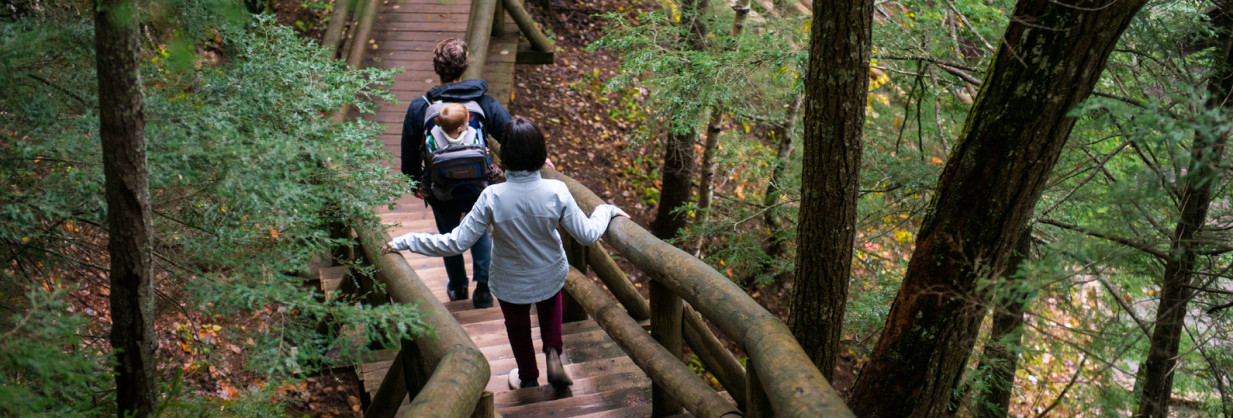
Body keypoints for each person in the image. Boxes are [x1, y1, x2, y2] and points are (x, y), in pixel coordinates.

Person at [388, 118, 628, 390]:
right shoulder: (556, 191)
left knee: (516, 325)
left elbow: (455, 243)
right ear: (541, 154)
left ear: (505, 155)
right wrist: (606, 210)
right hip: (549, 270)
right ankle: (553, 352)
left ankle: (528, 376)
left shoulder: (492, 196)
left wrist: (407, 241)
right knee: (550, 301)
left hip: (509, 279)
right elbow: (586, 234)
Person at [402, 38, 511, 309]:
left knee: (448, 234)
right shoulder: (483, 102)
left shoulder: (420, 106)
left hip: (441, 188)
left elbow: (409, 150)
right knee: (479, 231)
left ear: (437, 67)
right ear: (465, 66)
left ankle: (458, 286)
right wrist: (538, 157)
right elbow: (510, 133)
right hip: (478, 186)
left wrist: (414, 182)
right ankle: (483, 289)